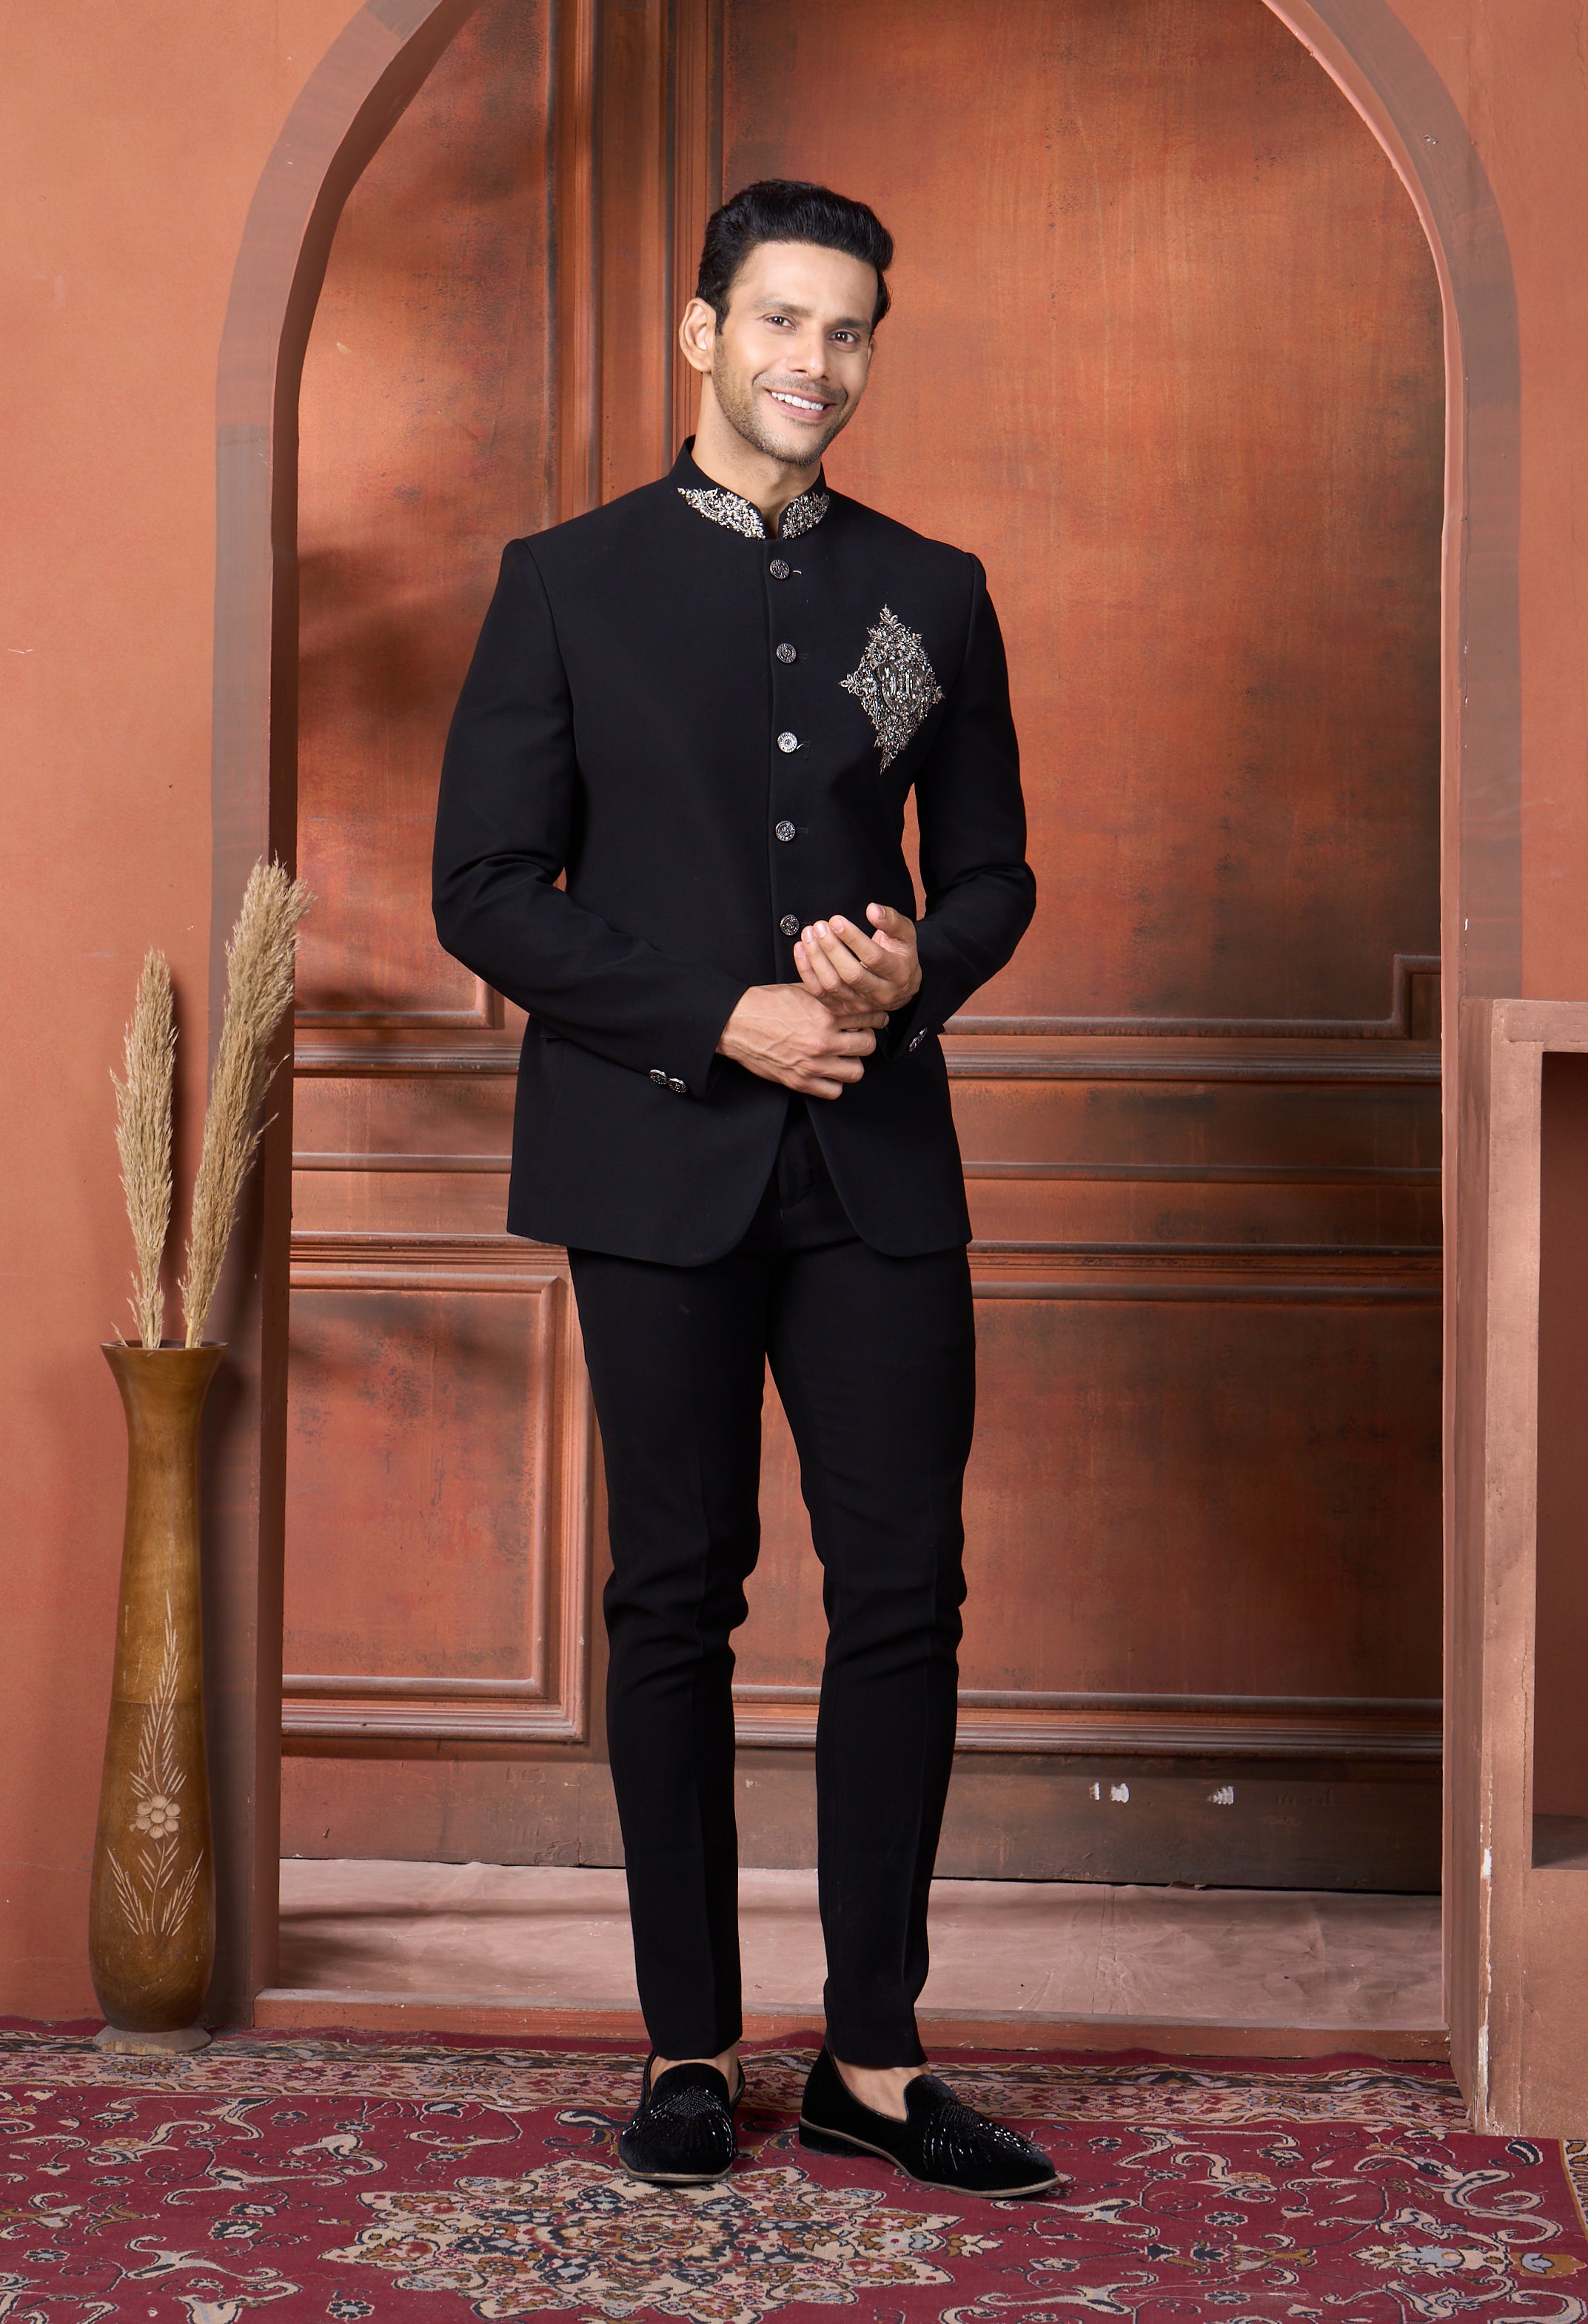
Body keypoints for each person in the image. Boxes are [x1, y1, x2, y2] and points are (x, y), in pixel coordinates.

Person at [433, 178, 1055, 2199]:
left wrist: (910, 971)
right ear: (702, 334)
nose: (816, 359)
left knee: (905, 1596)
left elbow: (993, 873)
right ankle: (688, 2048)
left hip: (878, 1161)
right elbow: (484, 889)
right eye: (782, 319)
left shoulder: (932, 592)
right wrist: (725, 1015)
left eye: (849, 329)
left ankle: (875, 2056)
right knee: (674, 1598)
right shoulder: (565, 582)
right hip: (652, 1158)